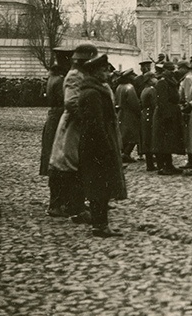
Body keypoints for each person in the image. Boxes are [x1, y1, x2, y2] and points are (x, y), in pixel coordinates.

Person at [77, 53, 127, 237]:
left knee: (100, 185)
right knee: (100, 186)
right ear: (96, 72)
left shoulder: (93, 90)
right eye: (104, 71)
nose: (107, 74)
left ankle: (100, 223)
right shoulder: (93, 93)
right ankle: (100, 225)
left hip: (96, 145)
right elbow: (95, 125)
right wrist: (106, 148)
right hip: (98, 146)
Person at [49, 42, 97, 221]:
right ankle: (69, 205)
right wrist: (86, 119)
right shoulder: (75, 76)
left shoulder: (80, 74)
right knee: (70, 163)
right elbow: (71, 102)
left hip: (77, 124)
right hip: (73, 126)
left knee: (75, 163)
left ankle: (71, 203)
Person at [40, 48, 72, 216]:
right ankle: (57, 203)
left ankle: (57, 202)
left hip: (53, 119)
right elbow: (65, 101)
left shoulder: (52, 77)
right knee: (59, 161)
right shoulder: (60, 80)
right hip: (59, 119)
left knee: (55, 162)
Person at [152, 62, 186, 175]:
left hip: (172, 113)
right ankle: (165, 166)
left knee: (169, 141)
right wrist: (167, 116)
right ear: (164, 70)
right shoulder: (162, 82)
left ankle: (169, 164)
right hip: (165, 115)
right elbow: (162, 101)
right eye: (169, 70)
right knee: (165, 141)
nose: (172, 72)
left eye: (173, 69)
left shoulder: (171, 81)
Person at [114, 69, 141, 163]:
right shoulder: (130, 87)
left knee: (124, 134)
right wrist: (138, 112)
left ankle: (124, 153)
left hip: (121, 112)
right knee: (132, 134)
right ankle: (126, 153)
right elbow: (134, 103)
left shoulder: (119, 87)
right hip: (130, 114)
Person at [138, 73, 158, 171]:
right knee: (152, 138)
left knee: (147, 139)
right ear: (150, 80)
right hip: (151, 114)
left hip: (145, 114)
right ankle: (155, 164)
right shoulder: (152, 90)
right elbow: (154, 104)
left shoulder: (144, 90)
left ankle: (149, 163)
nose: (156, 79)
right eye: (154, 78)